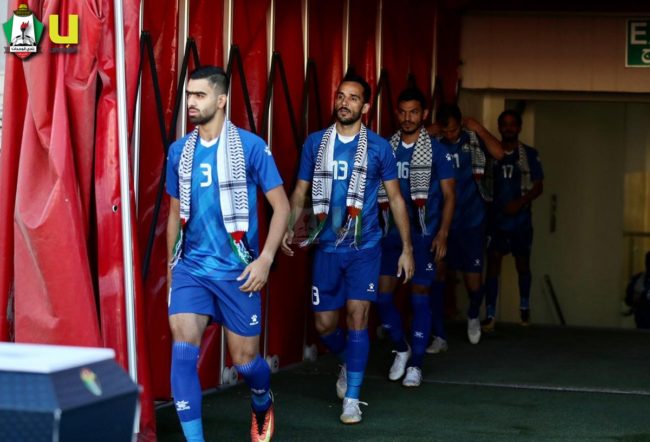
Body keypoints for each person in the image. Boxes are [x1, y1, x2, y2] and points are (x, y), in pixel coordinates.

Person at [281, 73, 415, 424]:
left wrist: (407, 248)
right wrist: (289, 225)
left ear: (365, 107)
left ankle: (352, 398)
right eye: (341, 96)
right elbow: (300, 189)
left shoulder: (379, 147)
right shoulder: (315, 143)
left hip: (364, 246)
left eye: (353, 98)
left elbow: (396, 199)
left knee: (358, 317)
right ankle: (348, 360)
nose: (344, 102)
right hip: (326, 246)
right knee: (325, 325)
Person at [166, 66, 290, 442]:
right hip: (192, 268)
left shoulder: (251, 147)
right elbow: (174, 213)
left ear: (221, 100)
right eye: (189, 95)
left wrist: (265, 259)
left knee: (245, 363)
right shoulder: (179, 151)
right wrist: (172, 269)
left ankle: (262, 399)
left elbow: (282, 207)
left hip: (239, 271)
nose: (191, 102)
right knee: (183, 352)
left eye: (199, 95)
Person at [375, 87, 455, 387]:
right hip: (390, 234)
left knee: (420, 295)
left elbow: (450, 196)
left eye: (414, 112)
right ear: (397, 113)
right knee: (382, 297)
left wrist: (443, 233)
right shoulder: (385, 148)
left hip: (424, 235)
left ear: (424, 115)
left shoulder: (437, 150)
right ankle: (401, 348)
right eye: (403, 112)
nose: (408, 118)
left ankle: (417, 364)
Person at [428, 103, 504, 347]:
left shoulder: (472, 139)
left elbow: (500, 153)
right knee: (437, 273)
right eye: (445, 131)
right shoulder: (434, 142)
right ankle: (439, 334)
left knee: (473, 281)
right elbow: (404, 149)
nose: (450, 135)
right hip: (442, 221)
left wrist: (478, 128)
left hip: (472, 219)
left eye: (453, 130)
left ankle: (473, 315)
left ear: (461, 123)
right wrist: (427, 132)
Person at [483, 110, 544, 331]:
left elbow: (538, 186)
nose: (508, 128)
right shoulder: (491, 153)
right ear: (499, 127)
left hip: (521, 220)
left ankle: (524, 308)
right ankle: (490, 314)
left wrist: (520, 202)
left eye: (512, 124)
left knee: (522, 263)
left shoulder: (529, 154)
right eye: (504, 124)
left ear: (519, 128)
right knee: (493, 262)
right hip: (497, 220)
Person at [625, 251, 650, 329]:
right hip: (642, 325)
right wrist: (637, 301)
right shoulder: (638, 279)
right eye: (648, 262)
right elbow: (628, 300)